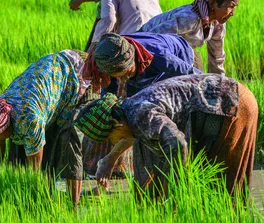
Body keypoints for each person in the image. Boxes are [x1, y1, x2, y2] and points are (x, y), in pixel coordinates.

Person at [75, 74, 258, 201]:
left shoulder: (141, 113)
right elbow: (132, 134)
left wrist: (170, 188)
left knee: (224, 186)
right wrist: (110, 159)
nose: (113, 142)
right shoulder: (129, 109)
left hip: (231, 102)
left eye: (110, 138)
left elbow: (177, 144)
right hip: (225, 98)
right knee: (209, 183)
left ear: (115, 124)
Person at [0, 50, 90, 204]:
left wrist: (35, 189)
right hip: (44, 78)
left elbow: (35, 169)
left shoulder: (29, 119)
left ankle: (73, 204)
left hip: (71, 72)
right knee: (17, 157)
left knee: (65, 140)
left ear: (3, 126)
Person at [80, 32, 202, 180]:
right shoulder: (107, 60)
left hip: (183, 59)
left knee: (171, 120)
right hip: (140, 68)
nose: (124, 78)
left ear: (131, 61)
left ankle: (180, 171)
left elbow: (196, 77)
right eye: (119, 76)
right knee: (137, 118)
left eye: (126, 72)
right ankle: (148, 176)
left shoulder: (160, 57)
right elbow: (109, 103)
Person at [140, 0, 243, 75]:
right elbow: (153, 40)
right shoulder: (188, 18)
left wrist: (219, 84)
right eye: (231, 6)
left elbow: (217, 57)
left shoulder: (218, 24)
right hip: (145, 48)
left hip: (177, 53)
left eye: (235, 7)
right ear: (213, 3)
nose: (233, 13)